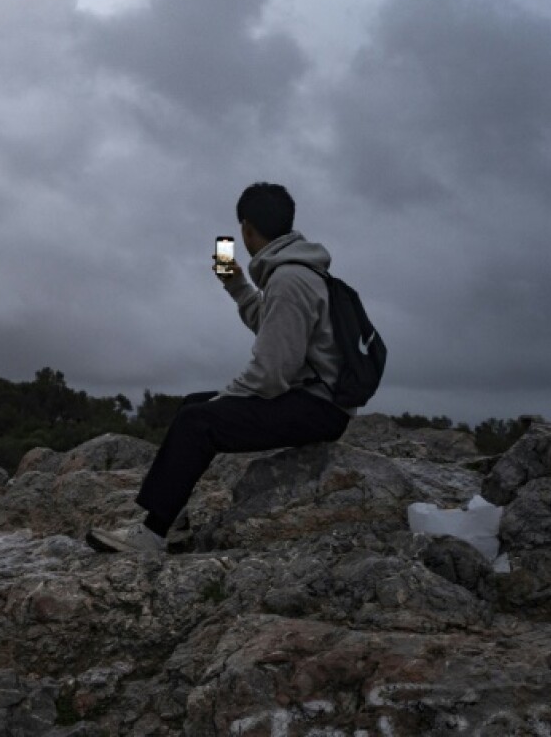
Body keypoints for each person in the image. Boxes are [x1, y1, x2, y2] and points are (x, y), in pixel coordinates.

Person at [87, 182, 353, 554]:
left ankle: (151, 535)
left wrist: (221, 402)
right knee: (193, 405)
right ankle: (173, 521)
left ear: (246, 228)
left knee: (198, 421)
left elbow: (270, 375)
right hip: (315, 398)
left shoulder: (290, 280)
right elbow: (271, 323)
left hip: (318, 408)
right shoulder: (297, 272)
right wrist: (236, 284)